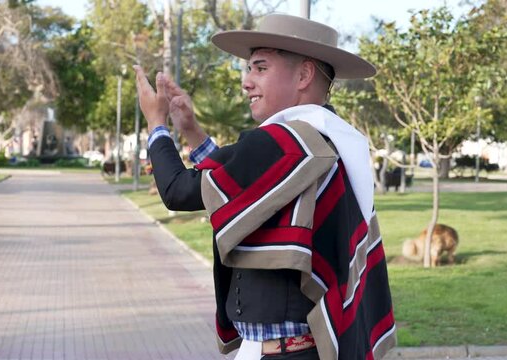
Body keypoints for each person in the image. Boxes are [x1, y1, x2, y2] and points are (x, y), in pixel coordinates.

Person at [134, 14, 396, 360]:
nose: (246, 82)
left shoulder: (285, 142)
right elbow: (247, 187)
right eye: (249, 69)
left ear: (303, 75)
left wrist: (156, 124)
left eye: (260, 68)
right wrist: (192, 132)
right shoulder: (325, 140)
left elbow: (178, 191)